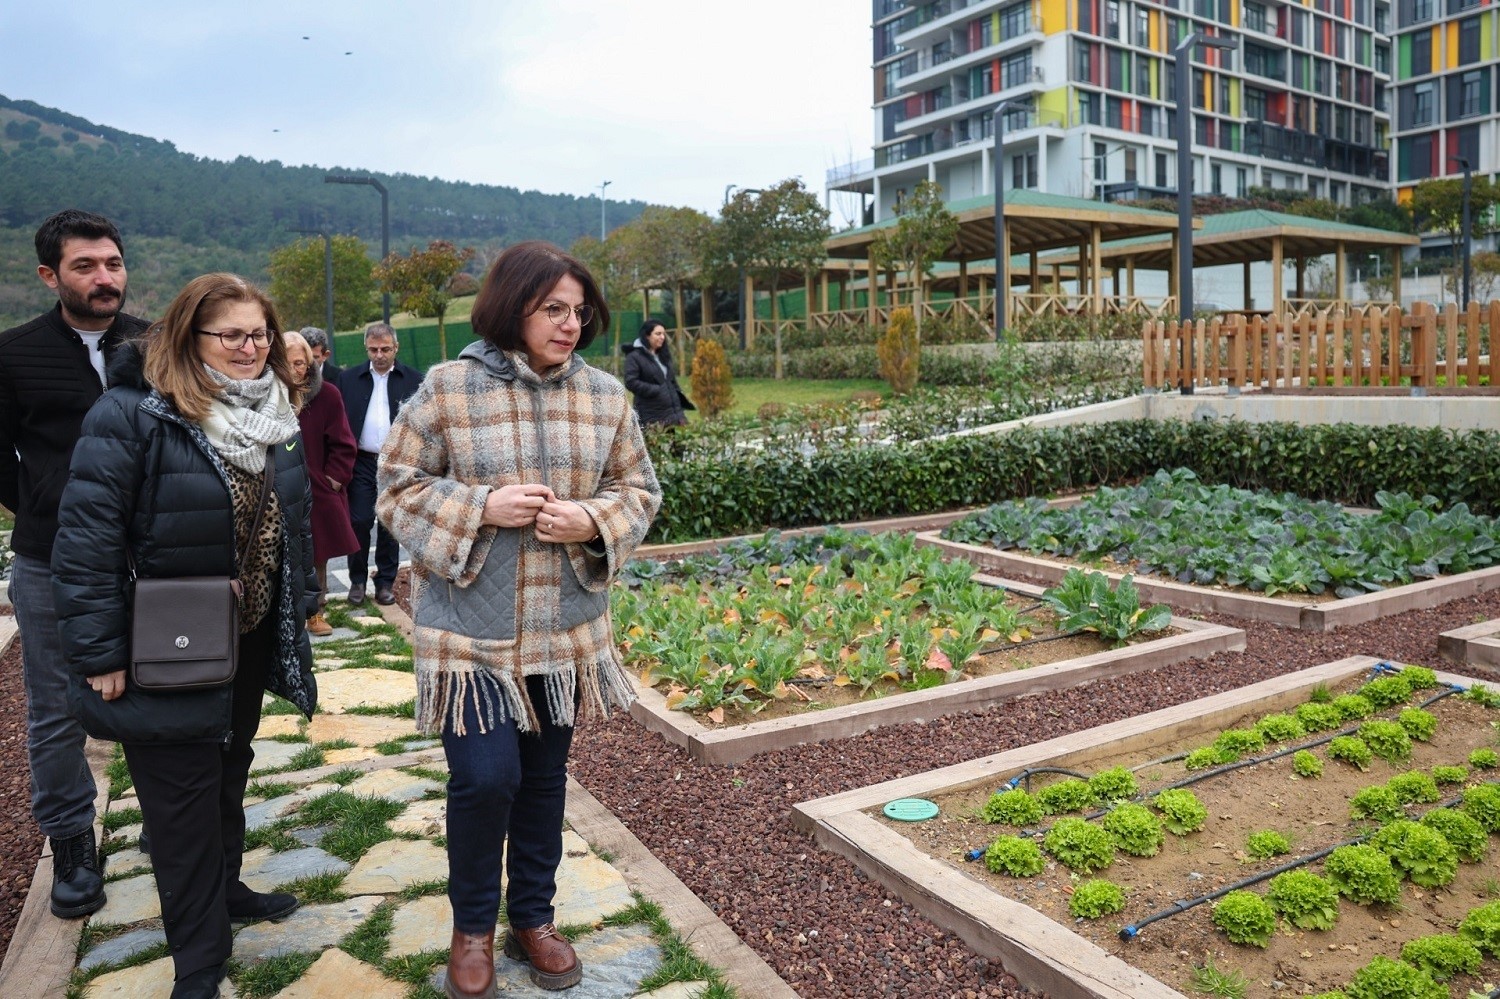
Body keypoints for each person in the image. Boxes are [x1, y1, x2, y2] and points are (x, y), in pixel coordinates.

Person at [377, 240, 660, 998]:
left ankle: (532, 917)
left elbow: (639, 490)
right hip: (468, 633)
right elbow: (396, 489)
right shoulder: (445, 389)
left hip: (565, 633)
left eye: (579, 311)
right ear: (513, 306)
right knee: (485, 777)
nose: (570, 324)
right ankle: (472, 927)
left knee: (542, 779)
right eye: (552, 309)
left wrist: (591, 521)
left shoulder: (606, 396)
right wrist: (480, 506)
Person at [52, 273, 319, 999]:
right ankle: (200, 960)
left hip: (248, 636)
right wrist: (101, 651)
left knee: (229, 770)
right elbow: (86, 541)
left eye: (259, 332)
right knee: (178, 808)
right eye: (228, 334)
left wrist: (302, 601)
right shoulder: (136, 414)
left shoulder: (275, 414)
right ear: (186, 337)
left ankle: (225, 888)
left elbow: (289, 519)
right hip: (165, 647)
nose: (248, 347)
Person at [0, 209, 150, 919]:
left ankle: (169, 821)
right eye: (86, 265)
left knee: (164, 689)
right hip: (48, 560)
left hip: (150, 557)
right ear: (49, 274)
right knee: (57, 711)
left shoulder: (158, 345)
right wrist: (45, 503)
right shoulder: (13, 353)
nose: (103, 277)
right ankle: (73, 847)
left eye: (113, 263)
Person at [284, 330, 360, 637]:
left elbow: (344, 443)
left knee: (317, 555)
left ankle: (317, 613)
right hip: (278, 488)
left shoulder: (327, 394)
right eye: (288, 362)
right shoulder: (268, 397)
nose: (295, 369)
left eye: (300, 362)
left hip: (317, 487)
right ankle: (286, 618)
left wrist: (334, 480)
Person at [339, 322, 421, 605]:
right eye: (373, 349)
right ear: (366, 349)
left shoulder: (414, 380)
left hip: (397, 462)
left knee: (389, 524)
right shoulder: (349, 379)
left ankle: (385, 582)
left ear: (395, 347)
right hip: (361, 461)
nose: (379, 355)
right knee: (359, 520)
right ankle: (357, 581)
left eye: (385, 348)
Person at [621, 319, 693, 428]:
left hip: (674, 416)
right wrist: (656, 390)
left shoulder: (663, 356)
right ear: (647, 335)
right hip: (652, 417)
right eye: (658, 334)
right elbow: (630, 382)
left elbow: (671, 381)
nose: (662, 337)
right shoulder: (634, 357)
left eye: (663, 334)